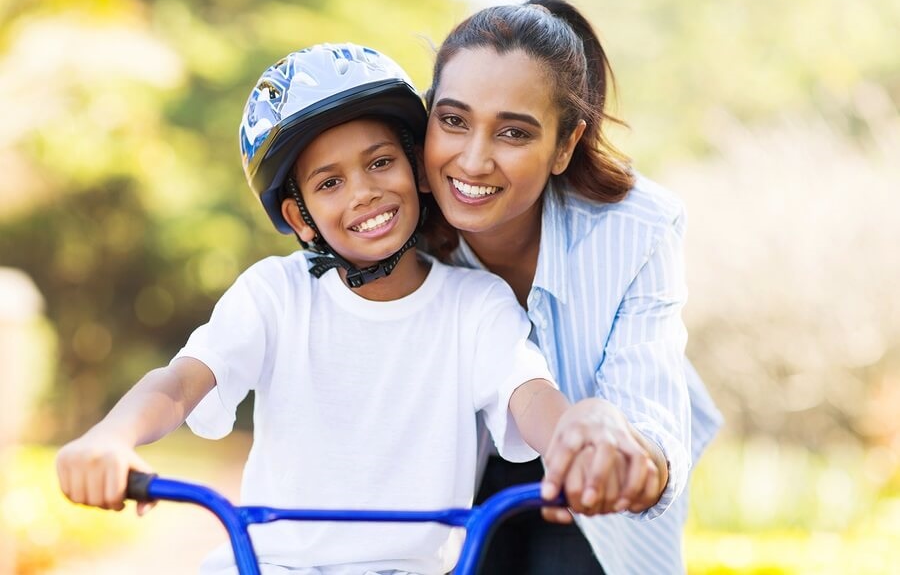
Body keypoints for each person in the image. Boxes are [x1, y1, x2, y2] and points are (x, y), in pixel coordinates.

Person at [54, 43, 656, 575]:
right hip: (274, 564)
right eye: (329, 183)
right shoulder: (274, 295)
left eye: (380, 162)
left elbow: (529, 394)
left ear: (418, 170)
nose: (364, 191)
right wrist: (112, 437)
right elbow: (183, 382)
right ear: (299, 218)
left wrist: (575, 440)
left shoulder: (475, 307)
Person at [419, 0, 723, 575]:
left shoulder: (639, 227)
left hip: (594, 483)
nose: (474, 159)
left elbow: (650, 407)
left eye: (513, 133)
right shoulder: (396, 222)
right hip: (464, 471)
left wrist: (620, 443)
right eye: (453, 120)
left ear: (564, 146)